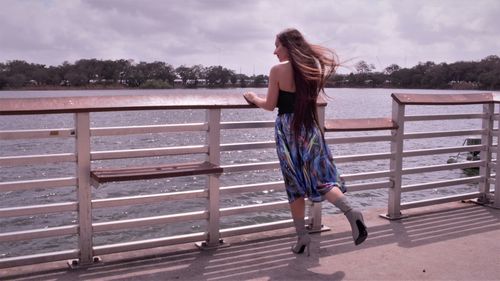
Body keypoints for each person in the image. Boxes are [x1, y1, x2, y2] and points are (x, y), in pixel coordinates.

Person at [243, 28, 367, 256]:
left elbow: (270, 105)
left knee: (294, 185)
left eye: (277, 46)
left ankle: (302, 237)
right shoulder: (312, 69)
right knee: (323, 180)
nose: (274, 51)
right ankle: (352, 211)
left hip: (288, 132)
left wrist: (252, 98)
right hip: (310, 129)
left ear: (288, 46)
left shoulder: (277, 70)